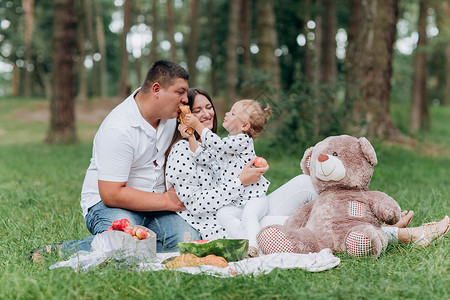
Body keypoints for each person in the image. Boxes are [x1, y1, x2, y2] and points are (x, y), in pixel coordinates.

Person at [164, 88, 450, 255]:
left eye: (209, 107)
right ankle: (395, 234)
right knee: (304, 228)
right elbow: (195, 203)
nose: (207, 114)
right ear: (182, 115)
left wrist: (250, 175)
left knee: (305, 182)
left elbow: (233, 154)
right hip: (230, 223)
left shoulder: (221, 143)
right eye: (197, 110)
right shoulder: (183, 152)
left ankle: (364, 214)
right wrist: (241, 180)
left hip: (249, 205)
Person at [31, 61, 201, 262]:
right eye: (180, 92)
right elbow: (111, 194)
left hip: (155, 205)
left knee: (189, 242)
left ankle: (129, 242)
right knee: (125, 250)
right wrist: (167, 201)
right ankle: (62, 250)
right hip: (108, 204)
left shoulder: (172, 116)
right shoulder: (119, 128)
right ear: (157, 89)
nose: (185, 100)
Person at [180, 99, 271, 256]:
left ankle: (254, 246)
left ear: (244, 126)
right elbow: (203, 157)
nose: (227, 114)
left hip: (254, 198)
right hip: (238, 201)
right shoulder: (226, 143)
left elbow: (218, 144)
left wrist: (197, 126)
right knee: (223, 214)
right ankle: (243, 242)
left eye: (233, 113)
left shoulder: (242, 140)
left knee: (250, 215)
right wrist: (191, 138)